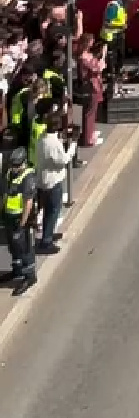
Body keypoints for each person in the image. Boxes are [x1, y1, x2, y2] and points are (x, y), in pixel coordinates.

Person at [36, 112, 74, 254]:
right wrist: (72, 146)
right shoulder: (54, 143)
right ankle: (46, 241)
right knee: (53, 211)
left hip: (42, 180)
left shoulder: (42, 138)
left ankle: (49, 234)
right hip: (53, 182)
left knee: (48, 210)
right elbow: (62, 161)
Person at [3, 145, 38, 294]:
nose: (15, 168)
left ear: (24, 163)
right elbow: (6, 193)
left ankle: (29, 276)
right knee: (13, 246)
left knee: (24, 248)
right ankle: (17, 270)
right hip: (9, 216)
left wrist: (22, 224)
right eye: (13, 165)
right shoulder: (10, 173)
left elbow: (28, 203)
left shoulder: (28, 177)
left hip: (21, 219)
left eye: (17, 165)